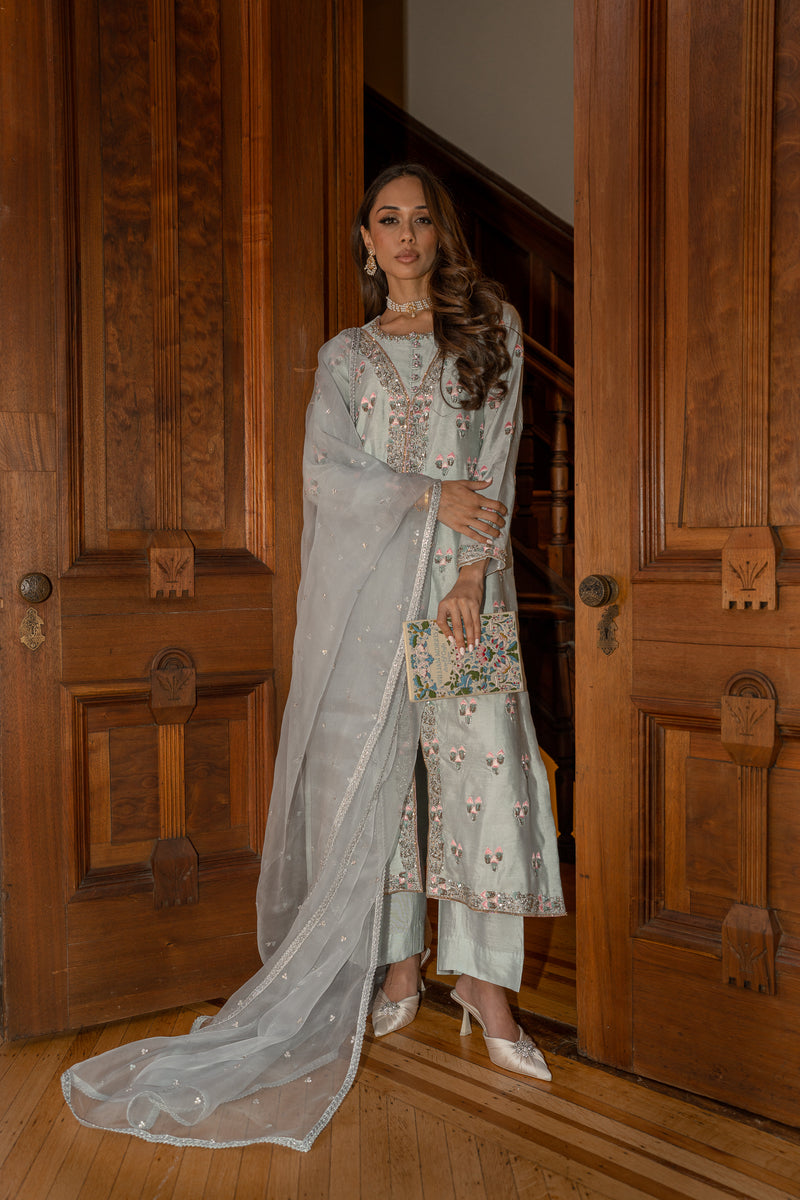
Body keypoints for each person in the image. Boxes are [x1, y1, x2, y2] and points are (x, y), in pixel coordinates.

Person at [61, 164, 564, 1152]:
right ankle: (394, 966)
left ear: (440, 234)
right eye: (388, 220)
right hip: (370, 607)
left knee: (486, 781)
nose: (406, 235)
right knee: (372, 788)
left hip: (463, 599)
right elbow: (330, 477)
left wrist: (470, 574)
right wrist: (425, 494)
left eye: (421, 220)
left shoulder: (489, 330)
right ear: (365, 241)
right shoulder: (345, 359)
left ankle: (484, 986)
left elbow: (497, 462)